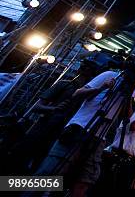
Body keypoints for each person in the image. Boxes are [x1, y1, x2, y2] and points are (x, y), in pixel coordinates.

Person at [36, 68, 120, 197]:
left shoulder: (129, 89)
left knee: (83, 181)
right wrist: (101, 88)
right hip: (77, 128)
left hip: (98, 138)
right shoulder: (110, 75)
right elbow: (78, 93)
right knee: (48, 174)